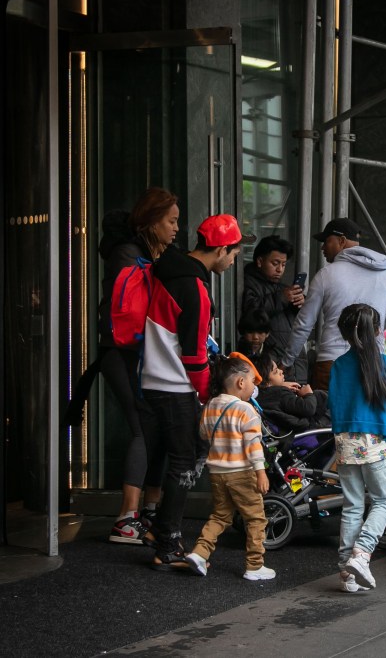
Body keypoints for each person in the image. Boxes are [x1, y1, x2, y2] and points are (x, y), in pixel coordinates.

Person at [140, 213, 252, 570]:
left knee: (180, 457)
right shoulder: (194, 288)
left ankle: (160, 530)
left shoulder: (171, 271)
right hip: (174, 384)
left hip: (157, 379)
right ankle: (167, 540)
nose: (233, 260)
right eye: (233, 253)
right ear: (221, 249)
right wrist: (209, 396)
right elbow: (193, 353)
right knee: (185, 463)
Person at [97, 187, 179, 544]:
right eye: (171, 221)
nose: (177, 228)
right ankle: (126, 519)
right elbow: (129, 315)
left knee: (154, 426)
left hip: (141, 354)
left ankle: (148, 510)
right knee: (142, 428)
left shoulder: (148, 254)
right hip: (122, 353)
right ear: (151, 222)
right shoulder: (129, 256)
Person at [283, 218, 386, 391]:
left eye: (326, 241)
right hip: (374, 362)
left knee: (328, 417)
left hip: (332, 361)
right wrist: (373, 325)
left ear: (342, 240)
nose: (322, 247)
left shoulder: (325, 275)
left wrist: (286, 361)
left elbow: (304, 324)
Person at [329, 303, 386, 593]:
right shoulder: (383, 363)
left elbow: (333, 404)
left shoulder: (339, 365)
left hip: (345, 441)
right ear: (377, 331)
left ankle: (346, 573)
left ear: (345, 333)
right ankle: (362, 554)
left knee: (352, 505)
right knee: (384, 501)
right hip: (373, 441)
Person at [184, 356, 273, 581]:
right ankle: (255, 565)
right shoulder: (245, 410)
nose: (254, 387)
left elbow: (204, 434)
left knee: (220, 516)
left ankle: (199, 553)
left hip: (216, 473)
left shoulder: (211, 406)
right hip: (242, 473)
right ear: (241, 383)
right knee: (255, 519)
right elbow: (253, 445)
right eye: (253, 382)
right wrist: (261, 472)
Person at [242, 235, 307, 382]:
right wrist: (282, 298)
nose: (280, 269)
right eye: (275, 263)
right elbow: (251, 313)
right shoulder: (246, 283)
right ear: (259, 261)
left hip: (294, 364)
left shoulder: (282, 288)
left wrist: (301, 303)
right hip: (271, 366)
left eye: (283, 265)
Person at [251, 354, 331, 432]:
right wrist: (308, 394)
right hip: (311, 425)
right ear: (265, 383)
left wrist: (280, 385)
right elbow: (308, 408)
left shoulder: (260, 396)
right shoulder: (280, 394)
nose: (281, 371)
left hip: (303, 425)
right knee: (321, 396)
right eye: (275, 372)